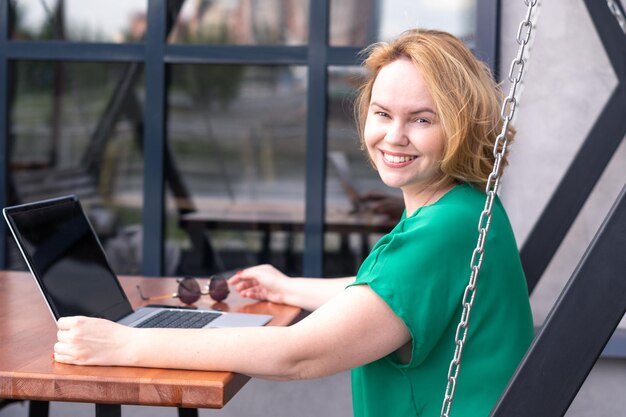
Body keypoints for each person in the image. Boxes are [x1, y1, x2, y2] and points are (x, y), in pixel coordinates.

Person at [54, 29, 534, 417]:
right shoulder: (466, 208)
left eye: (422, 120)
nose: (394, 136)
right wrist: (289, 288)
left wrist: (128, 343)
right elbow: (386, 295)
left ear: (462, 125)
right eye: (383, 113)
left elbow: (297, 354)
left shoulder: (441, 231)